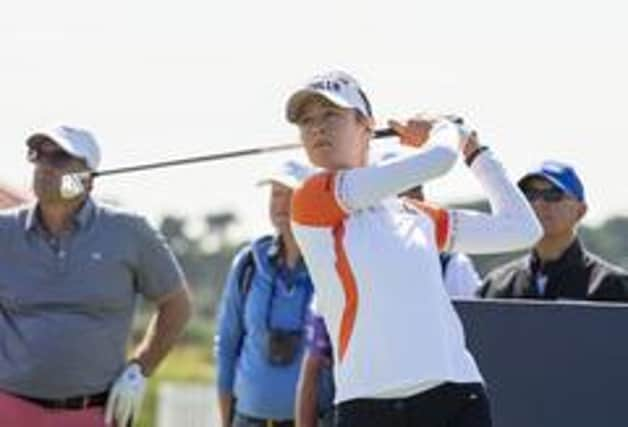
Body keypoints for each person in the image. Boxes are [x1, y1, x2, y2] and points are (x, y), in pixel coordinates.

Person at [285, 70, 543, 427]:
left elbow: (522, 229)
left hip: (453, 396)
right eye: (307, 121)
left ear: (366, 126)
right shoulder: (310, 200)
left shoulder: (412, 213)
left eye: (331, 115)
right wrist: (446, 128)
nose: (317, 128)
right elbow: (436, 160)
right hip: (367, 407)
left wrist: (476, 153)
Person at [0, 125, 192, 427]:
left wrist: (140, 368)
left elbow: (177, 305)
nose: (45, 167)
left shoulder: (129, 231)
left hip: (94, 411)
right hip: (10, 408)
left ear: (88, 181)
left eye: (60, 158)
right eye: (39, 156)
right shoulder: (4, 232)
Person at [295, 181, 482, 427]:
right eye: (402, 193)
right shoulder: (341, 270)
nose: (413, 203)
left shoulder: (454, 266)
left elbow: (474, 341)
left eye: (418, 193)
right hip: (367, 406)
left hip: (443, 401)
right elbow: (314, 362)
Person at [215, 160, 334, 427]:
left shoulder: (332, 262)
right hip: (247, 419)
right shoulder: (248, 264)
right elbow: (227, 345)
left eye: (291, 193)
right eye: (276, 194)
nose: (281, 203)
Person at [479, 160, 628, 301]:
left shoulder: (612, 285)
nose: (539, 203)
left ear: (580, 211)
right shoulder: (496, 285)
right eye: (530, 196)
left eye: (553, 195)